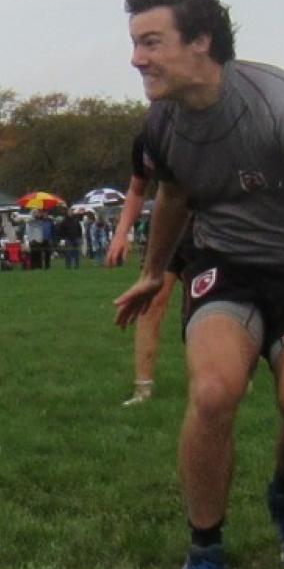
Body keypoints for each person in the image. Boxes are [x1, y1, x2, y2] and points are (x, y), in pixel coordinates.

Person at [111, 0, 284, 569]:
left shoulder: (278, 104)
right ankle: (206, 549)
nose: (136, 58)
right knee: (213, 392)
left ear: (200, 42)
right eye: (135, 43)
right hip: (224, 266)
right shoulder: (162, 122)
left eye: (151, 42)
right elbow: (173, 194)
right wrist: (152, 272)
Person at [107, 132, 193, 407]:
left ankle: (228, 376)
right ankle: (142, 389)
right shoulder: (150, 136)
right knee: (150, 305)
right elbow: (136, 189)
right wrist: (121, 233)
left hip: (206, 230)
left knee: (204, 310)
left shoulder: (211, 123)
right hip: (166, 233)